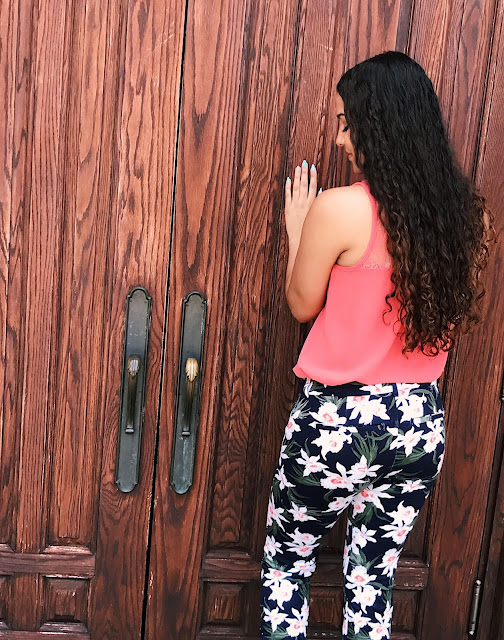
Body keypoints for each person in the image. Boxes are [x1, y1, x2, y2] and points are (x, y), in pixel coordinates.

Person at [259, 51, 494, 640]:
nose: (341, 138)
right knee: (372, 580)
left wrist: (297, 230)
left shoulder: (340, 209)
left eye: (346, 122)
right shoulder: (465, 221)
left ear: (378, 124)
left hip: (337, 422)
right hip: (417, 426)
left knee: (288, 564)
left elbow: (301, 305)